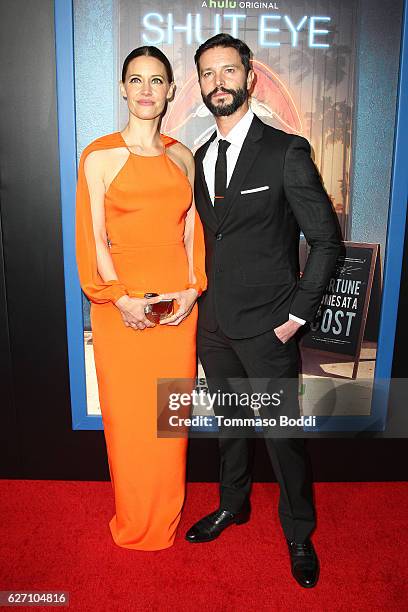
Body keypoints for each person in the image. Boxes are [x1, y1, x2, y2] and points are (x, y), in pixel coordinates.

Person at [185, 34, 341, 588]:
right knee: (230, 428)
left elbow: (327, 241)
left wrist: (297, 315)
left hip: (271, 329)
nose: (218, 82)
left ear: (250, 79)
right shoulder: (200, 156)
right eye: (208, 73)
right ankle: (234, 505)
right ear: (200, 83)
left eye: (229, 71)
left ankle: (299, 531)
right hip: (216, 327)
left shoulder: (285, 150)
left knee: (282, 437)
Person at [75, 46, 206, 551]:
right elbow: (93, 236)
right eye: (136, 79)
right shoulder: (99, 155)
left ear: (171, 91)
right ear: (123, 89)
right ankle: (134, 519)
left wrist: (193, 291)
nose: (147, 89)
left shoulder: (182, 156)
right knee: (130, 420)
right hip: (121, 309)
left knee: (170, 418)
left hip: (177, 307)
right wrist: (119, 298)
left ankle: (167, 515)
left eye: (157, 80)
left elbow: (193, 229)